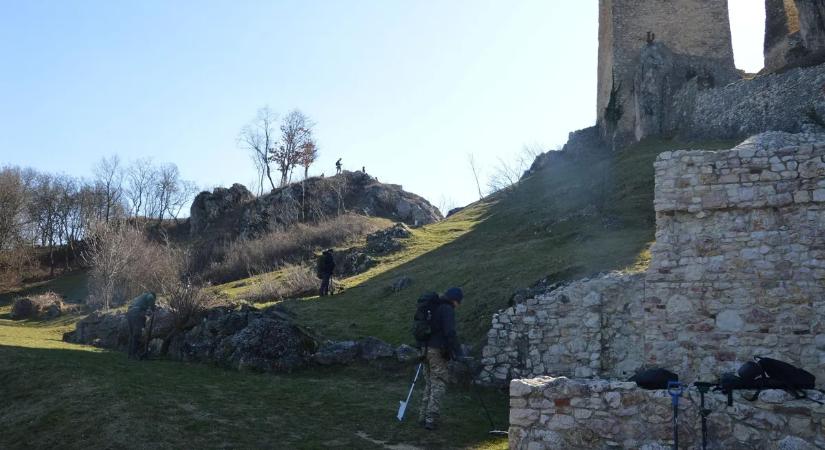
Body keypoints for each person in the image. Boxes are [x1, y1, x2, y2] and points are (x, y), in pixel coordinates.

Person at [418, 287, 464, 430]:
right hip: (436, 351)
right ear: (455, 300)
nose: (458, 306)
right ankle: (431, 419)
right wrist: (458, 351)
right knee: (439, 382)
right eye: (459, 302)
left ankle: (423, 416)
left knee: (430, 383)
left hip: (424, 349)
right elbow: (450, 332)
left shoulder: (434, 306)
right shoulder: (447, 309)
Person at [126, 291, 156, 360]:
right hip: (136, 313)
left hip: (130, 313)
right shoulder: (150, 295)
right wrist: (153, 308)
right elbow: (150, 298)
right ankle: (134, 355)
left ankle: (130, 355)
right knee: (136, 335)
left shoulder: (141, 297)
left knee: (131, 335)